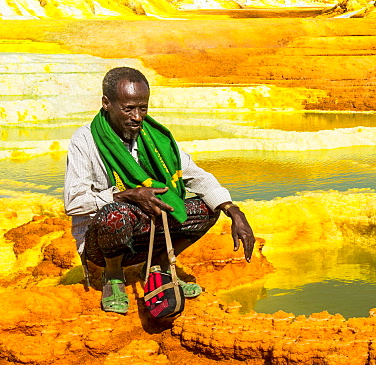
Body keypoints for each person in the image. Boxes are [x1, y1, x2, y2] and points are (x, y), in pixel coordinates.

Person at [64, 66, 255, 314]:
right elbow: (73, 201)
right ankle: (113, 277)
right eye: (128, 108)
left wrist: (234, 211)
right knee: (116, 213)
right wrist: (126, 195)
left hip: (146, 231)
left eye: (142, 108)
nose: (137, 117)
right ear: (106, 103)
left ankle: (157, 268)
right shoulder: (85, 140)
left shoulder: (156, 138)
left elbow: (196, 176)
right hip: (102, 242)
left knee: (208, 208)